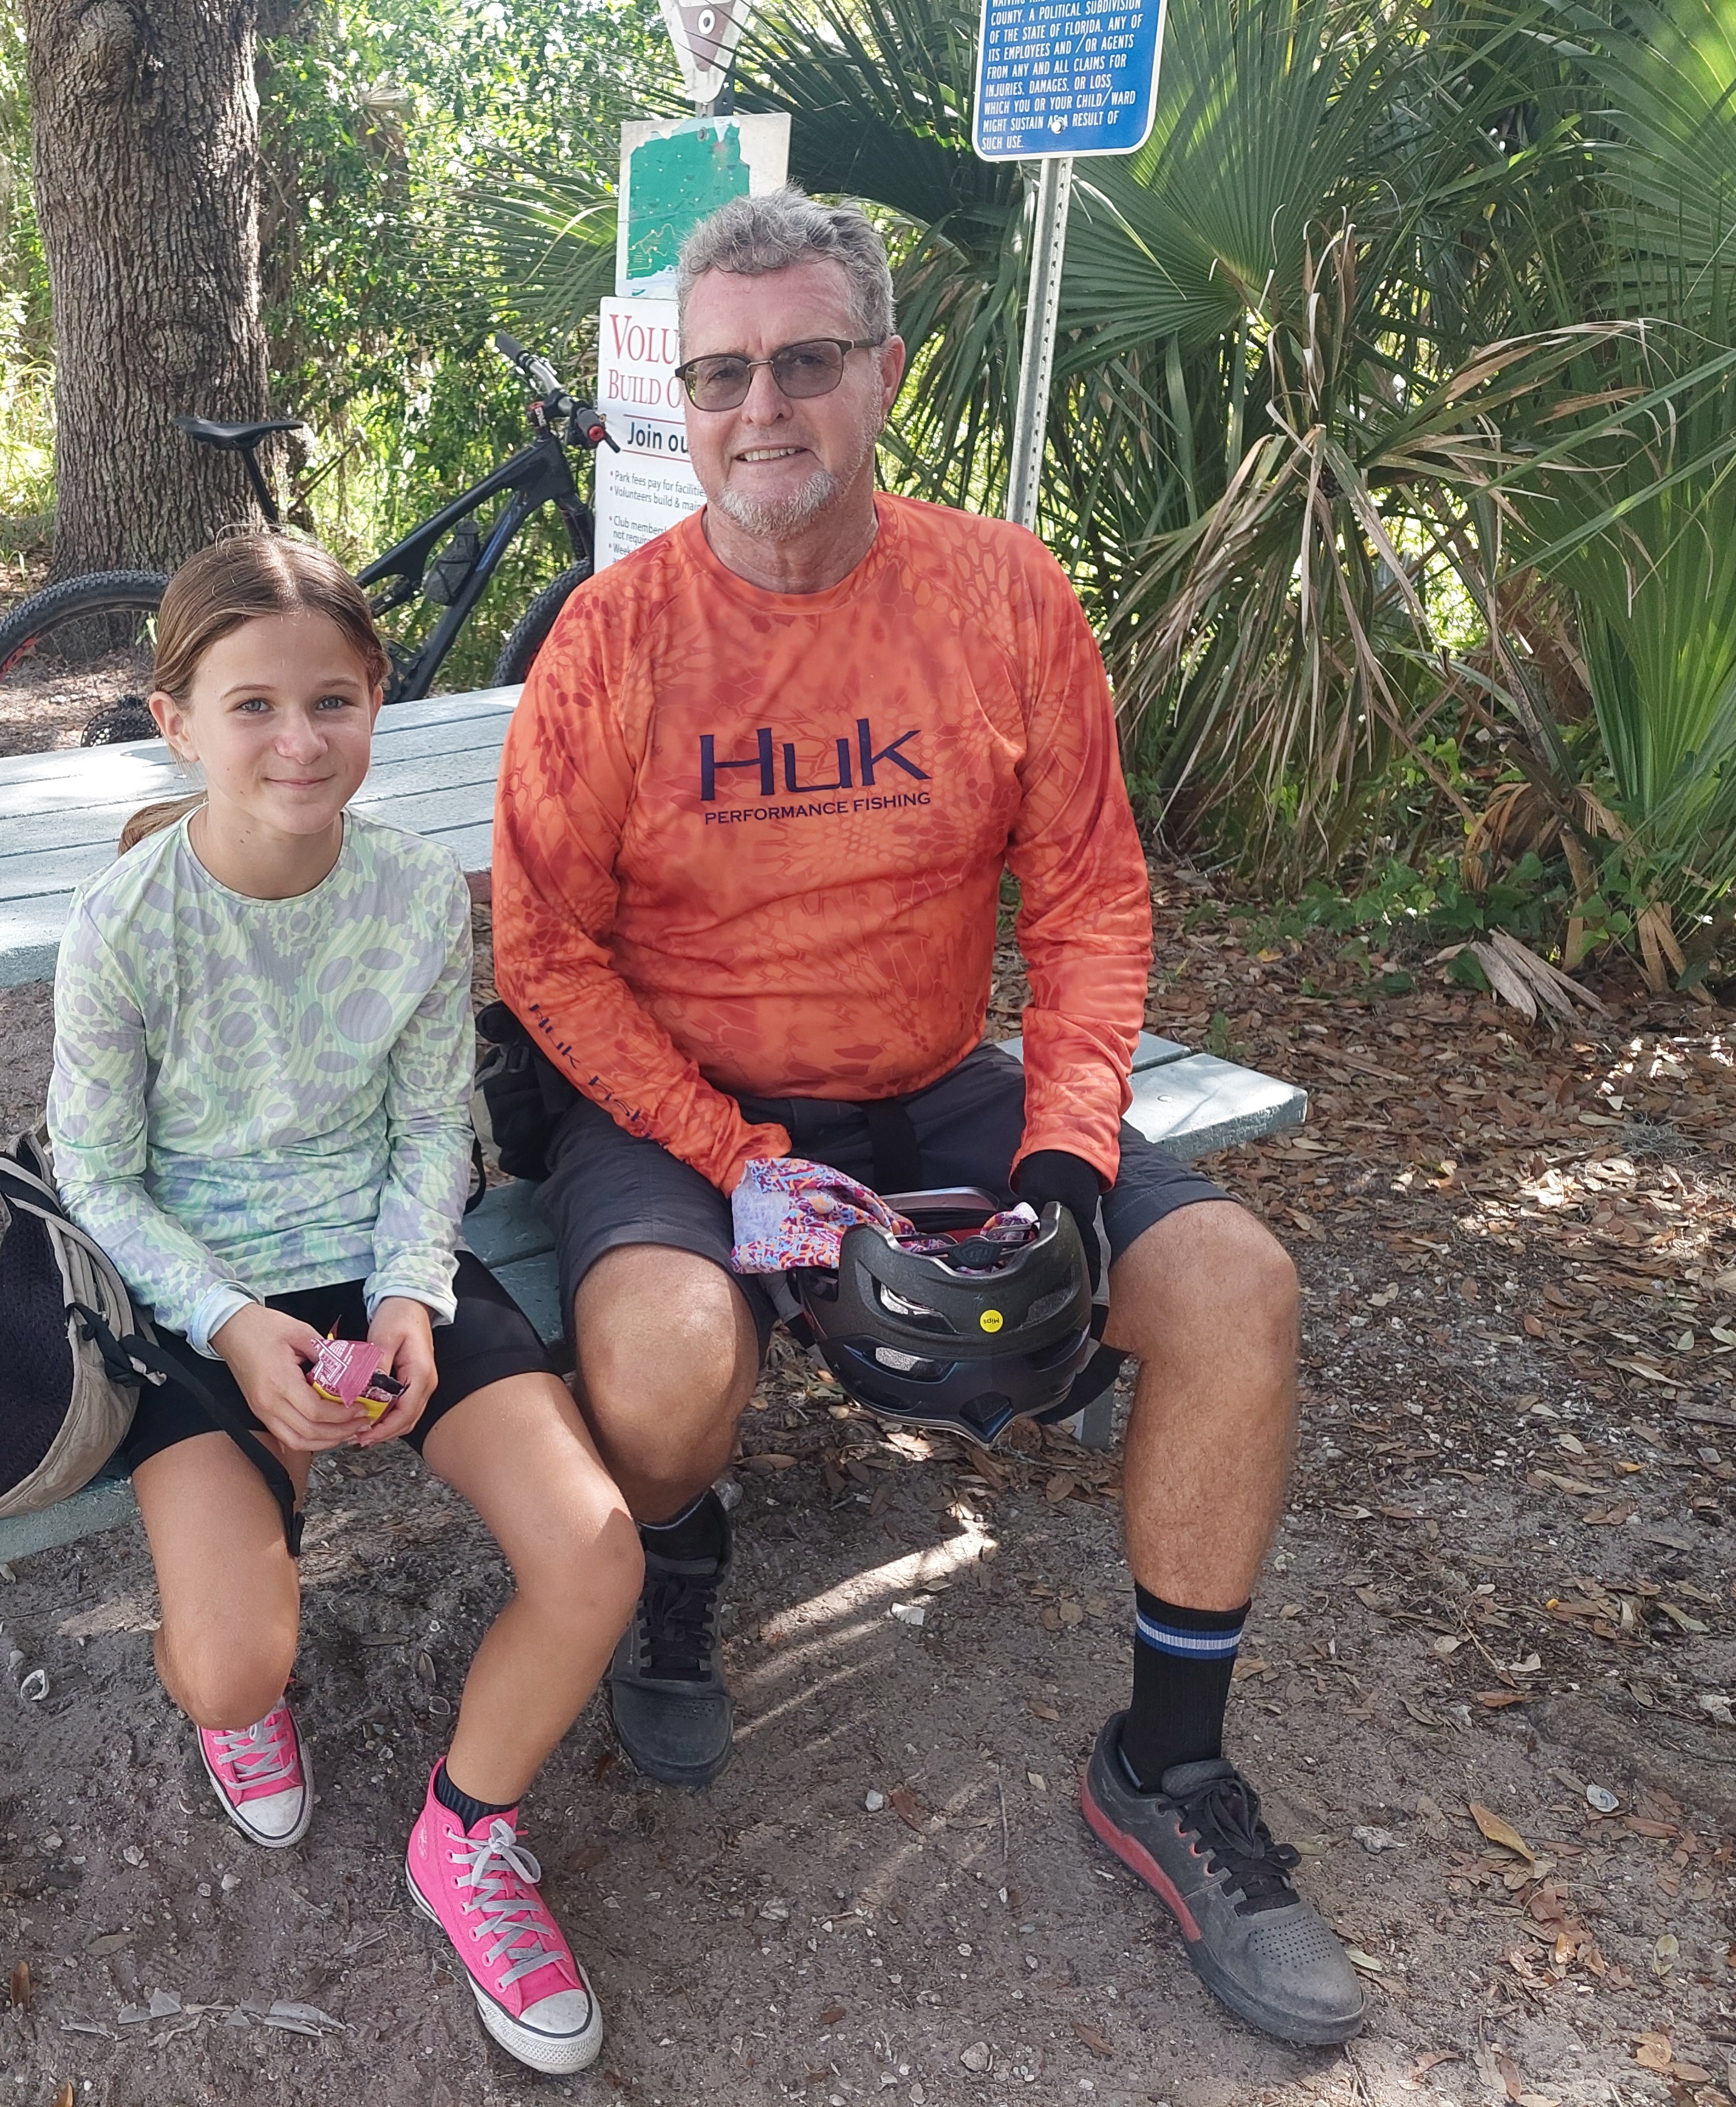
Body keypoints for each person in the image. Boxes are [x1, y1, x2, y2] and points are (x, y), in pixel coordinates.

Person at [490, 190, 1366, 2047]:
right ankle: (679, 1550)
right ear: (678, 398)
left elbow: (1091, 897)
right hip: (681, 1103)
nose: (761, 407)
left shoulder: (1002, 594)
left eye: (804, 360)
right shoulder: (612, 636)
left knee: (1236, 1291)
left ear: (885, 371)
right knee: (662, 1369)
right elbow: (543, 949)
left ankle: (1166, 1763)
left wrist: (1063, 1157)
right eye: (718, 374)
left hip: (932, 1082)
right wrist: (734, 1156)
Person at [47, 533, 641, 2077]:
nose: (299, 741)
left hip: (382, 1263)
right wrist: (234, 1326)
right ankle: (239, 1665)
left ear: (377, 699)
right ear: (175, 722)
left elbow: (433, 1124)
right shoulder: (124, 926)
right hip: (202, 1288)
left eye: (332, 700)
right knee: (231, 1664)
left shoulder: (415, 894)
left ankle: (466, 1833)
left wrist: (410, 1298)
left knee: (594, 1553)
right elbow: (97, 1177)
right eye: (252, 706)